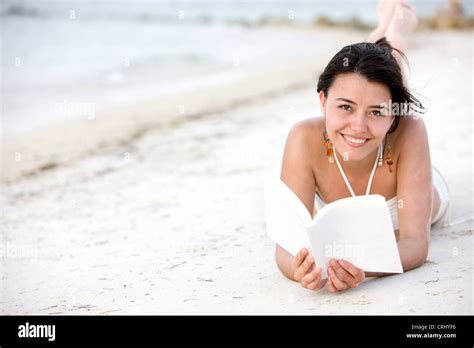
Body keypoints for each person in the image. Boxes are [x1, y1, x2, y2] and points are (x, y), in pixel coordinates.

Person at [275, 0, 450, 293]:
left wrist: (361, 269)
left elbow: (415, 244)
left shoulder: (410, 130)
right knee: (366, 72)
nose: (358, 126)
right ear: (322, 101)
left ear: (392, 112)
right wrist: (299, 269)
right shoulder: (303, 138)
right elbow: (284, 246)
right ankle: (388, 28)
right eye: (345, 106)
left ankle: (396, 30)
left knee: (386, 75)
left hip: (424, 184)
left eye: (377, 112)